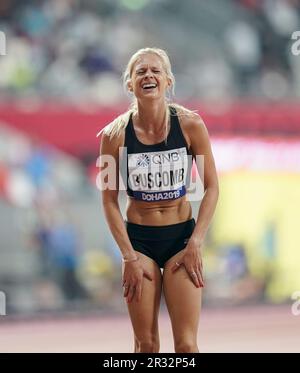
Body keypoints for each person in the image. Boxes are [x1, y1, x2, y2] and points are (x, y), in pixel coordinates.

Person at [98, 47, 219, 353]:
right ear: (129, 84)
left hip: (181, 240)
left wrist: (196, 242)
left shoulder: (191, 125)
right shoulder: (114, 135)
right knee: (146, 344)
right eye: (141, 72)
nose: (148, 76)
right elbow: (109, 201)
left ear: (168, 80)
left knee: (187, 346)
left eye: (155, 71)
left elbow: (212, 187)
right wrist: (128, 256)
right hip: (140, 242)